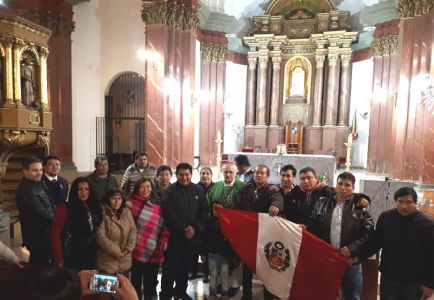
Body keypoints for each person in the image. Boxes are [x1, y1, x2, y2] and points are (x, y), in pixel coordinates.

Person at [353, 187, 434, 300]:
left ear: (415, 203)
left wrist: (430, 284)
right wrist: (358, 256)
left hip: (414, 282)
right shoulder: (386, 217)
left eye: (409, 202)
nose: (404, 206)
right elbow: (376, 242)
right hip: (389, 278)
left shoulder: (426, 224)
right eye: (400, 201)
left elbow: (431, 256)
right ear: (395, 201)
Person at [309, 172, 374, 300]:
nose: (343, 188)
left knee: (352, 296)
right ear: (336, 185)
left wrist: (351, 248)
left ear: (353, 189)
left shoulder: (360, 207)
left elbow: (369, 233)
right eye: (340, 184)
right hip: (327, 258)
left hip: (350, 260)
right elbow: (313, 227)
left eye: (347, 185)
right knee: (325, 294)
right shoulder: (321, 203)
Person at [160, 162, 208, 300]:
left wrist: (196, 228)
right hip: (174, 238)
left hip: (191, 238)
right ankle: (166, 295)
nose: (184, 177)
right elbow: (169, 214)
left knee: (185, 268)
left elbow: (204, 211)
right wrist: (185, 228)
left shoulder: (199, 190)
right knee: (170, 270)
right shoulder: (169, 191)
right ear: (176, 175)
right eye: (181, 175)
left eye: (187, 174)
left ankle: (181, 292)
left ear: (191, 174)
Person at [235, 164, 284, 300]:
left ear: (267, 176)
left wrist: (275, 206)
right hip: (249, 234)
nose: (259, 175)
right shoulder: (246, 189)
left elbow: (278, 199)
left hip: (265, 235)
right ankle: (246, 295)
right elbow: (238, 204)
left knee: (267, 267)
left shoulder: (272, 190)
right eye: (257, 173)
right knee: (247, 266)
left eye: (262, 173)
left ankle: (267, 296)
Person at [206, 163, 245, 300]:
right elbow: (208, 204)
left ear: (235, 173)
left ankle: (233, 286)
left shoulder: (243, 187)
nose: (228, 175)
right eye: (225, 172)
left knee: (233, 263)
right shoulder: (215, 186)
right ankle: (217, 288)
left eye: (231, 172)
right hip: (216, 232)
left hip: (235, 231)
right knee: (217, 268)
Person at [129, 178, 169, 300]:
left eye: (148, 186)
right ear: (137, 188)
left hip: (154, 247)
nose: (145, 189)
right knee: (135, 280)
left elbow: (164, 224)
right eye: (142, 187)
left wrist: (165, 239)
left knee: (151, 281)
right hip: (135, 247)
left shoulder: (157, 204)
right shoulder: (130, 203)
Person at [51, 177, 102, 269]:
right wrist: (59, 258)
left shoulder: (94, 205)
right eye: (80, 189)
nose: (84, 193)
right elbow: (55, 234)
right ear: (75, 191)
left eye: (86, 189)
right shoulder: (65, 207)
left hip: (92, 249)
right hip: (74, 250)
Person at [16, 157, 55, 265]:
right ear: (25, 171)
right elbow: (41, 214)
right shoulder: (26, 190)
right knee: (39, 269)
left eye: (40, 170)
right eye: (35, 170)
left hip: (46, 235)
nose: (39, 173)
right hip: (38, 238)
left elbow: (50, 205)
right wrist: (59, 220)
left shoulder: (39, 183)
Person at [95, 188, 137, 275]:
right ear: (108, 199)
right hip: (106, 262)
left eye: (119, 198)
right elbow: (100, 236)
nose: (117, 201)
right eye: (113, 198)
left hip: (125, 261)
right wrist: (117, 252)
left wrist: (127, 249)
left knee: (123, 287)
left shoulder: (127, 212)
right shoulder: (101, 213)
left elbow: (133, 230)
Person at [189, 167, 214, 282]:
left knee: (208, 248)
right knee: (194, 248)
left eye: (207, 173)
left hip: (210, 223)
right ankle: (193, 271)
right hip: (196, 222)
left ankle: (206, 273)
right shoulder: (194, 187)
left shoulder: (216, 187)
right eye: (202, 173)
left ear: (211, 175)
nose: (205, 175)